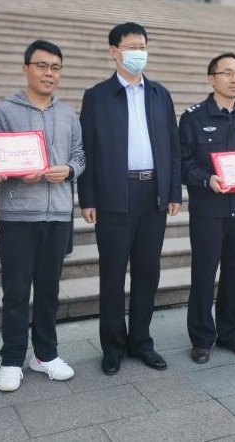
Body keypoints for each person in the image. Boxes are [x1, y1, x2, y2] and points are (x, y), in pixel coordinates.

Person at [78, 22, 182, 375]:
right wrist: (87, 198)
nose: (139, 52)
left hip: (153, 194)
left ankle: (141, 341)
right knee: (112, 274)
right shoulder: (97, 96)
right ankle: (113, 346)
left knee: (147, 272)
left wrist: (173, 190)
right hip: (114, 196)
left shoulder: (160, 94)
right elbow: (87, 149)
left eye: (143, 46)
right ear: (115, 52)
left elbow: (173, 147)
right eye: (132, 46)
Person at [0, 40, 85, 391]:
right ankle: (11, 359)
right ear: (26, 68)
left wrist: (68, 170)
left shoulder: (68, 115)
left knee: (48, 291)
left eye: (55, 68)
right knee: (15, 291)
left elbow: (80, 156)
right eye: (42, 66)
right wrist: (13, 172)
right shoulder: (4, 111)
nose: (49, 73)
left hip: (57, 214)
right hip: (18, 216)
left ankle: (45, 355)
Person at [179, 53, 235, 364]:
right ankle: (202, 338)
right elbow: (183, 164)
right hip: (208, 210)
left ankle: (230, 332)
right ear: (211, 78)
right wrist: (207, 180)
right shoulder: (194, 118)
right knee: (204, 274)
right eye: (228, 73)